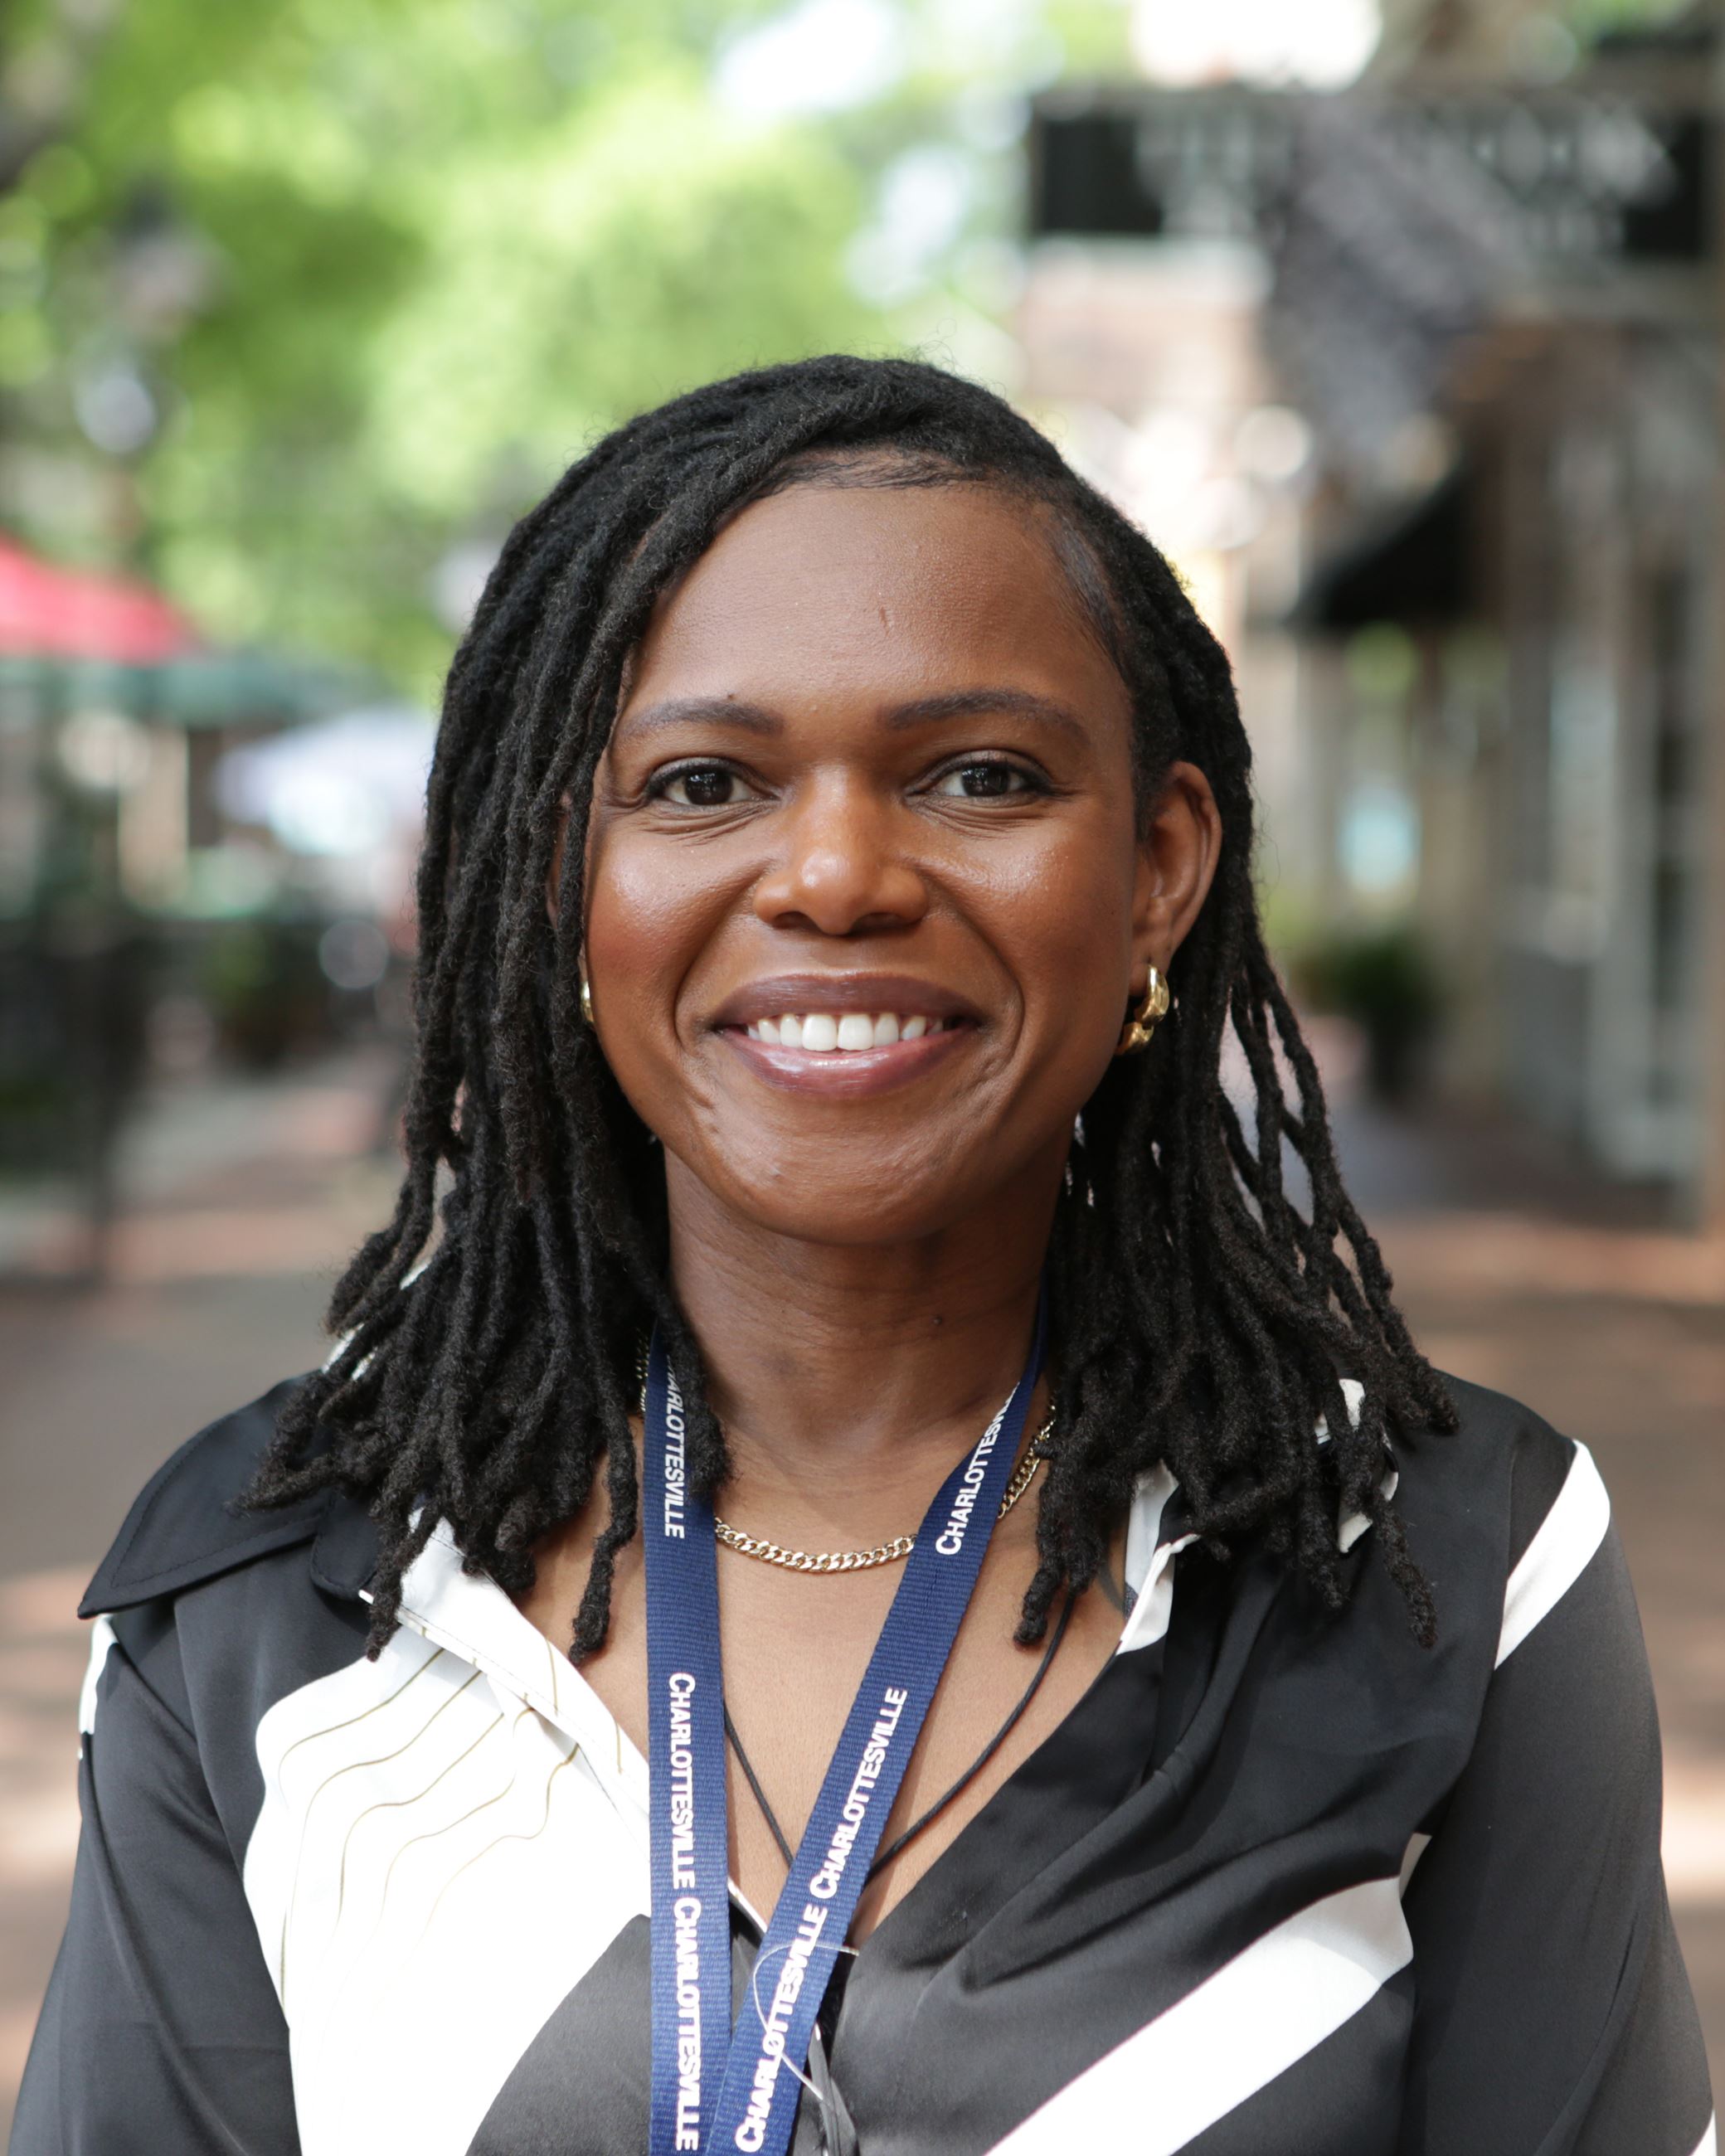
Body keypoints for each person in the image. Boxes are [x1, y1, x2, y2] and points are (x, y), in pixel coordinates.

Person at [14, 357, 1714, 2156]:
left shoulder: (1441, 1554)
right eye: (697, 782)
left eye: (976, 773)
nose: (832, 873)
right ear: (550, 879)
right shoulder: (271, 1589)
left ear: (1155, 863)